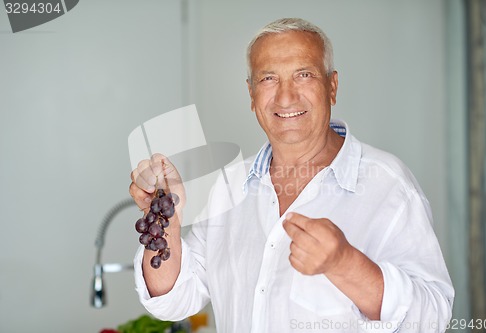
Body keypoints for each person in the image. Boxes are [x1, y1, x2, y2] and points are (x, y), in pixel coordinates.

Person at [129, 18, 454, 333]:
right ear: (251, 94)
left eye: (304, 75)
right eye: (268, 78)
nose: (285, 97)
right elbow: (174, 300)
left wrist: (345, 263)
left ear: (332, 86)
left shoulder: (388, 185)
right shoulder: (228, 188)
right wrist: (164, 221)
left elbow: (431, 319)